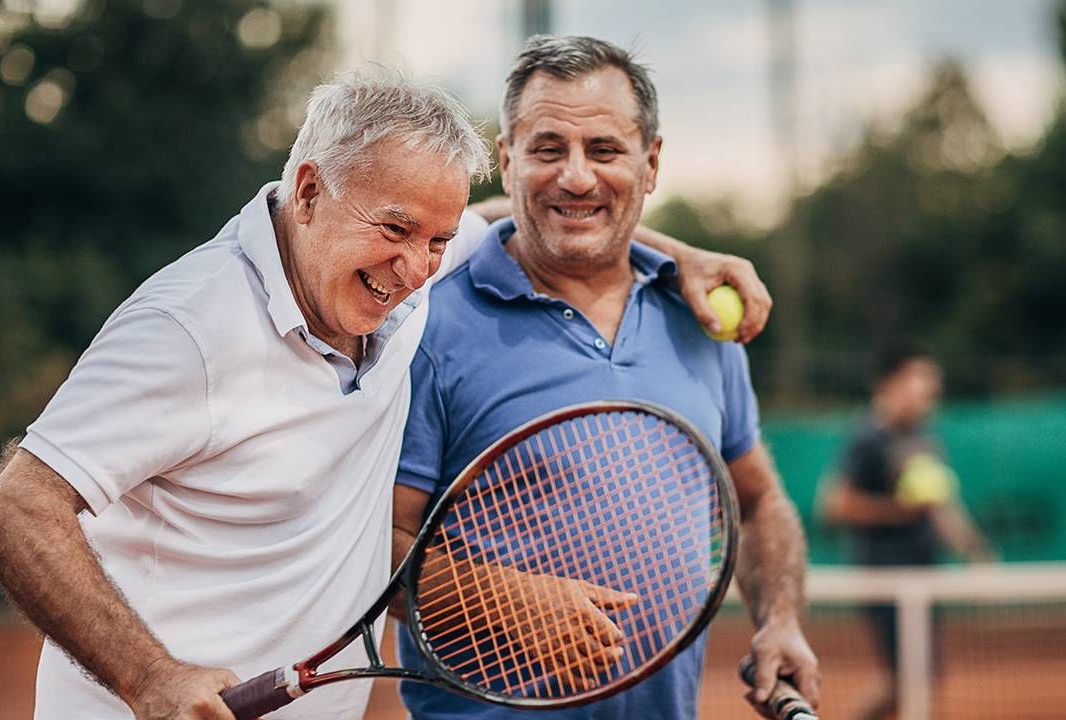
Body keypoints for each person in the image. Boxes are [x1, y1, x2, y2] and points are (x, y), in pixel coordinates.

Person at [0, 66, 772, 720]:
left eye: (436, 240)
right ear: (310, 190)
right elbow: (14, 508)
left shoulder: (400, 278)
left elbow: (527, 219)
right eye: (394, 230)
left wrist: (687, 254)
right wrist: (148, 676)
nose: (418, 266)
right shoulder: (188, 327)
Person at [391, 35, 820, 720]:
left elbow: (758, 500)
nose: (577, 177)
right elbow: (372, 541)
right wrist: (499, 600)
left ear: (651, 163)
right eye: (548, 148)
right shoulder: (427, 325)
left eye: (606, 150)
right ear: (507, 161)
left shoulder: (703, 319)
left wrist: (781, 618)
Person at [821, 342, 992, 720]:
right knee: (913, 678)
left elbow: (940, 504)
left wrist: (971, 548)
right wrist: (900, 512)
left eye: (932, 391)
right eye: (920, 388)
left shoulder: (924, 436)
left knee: (913, 679)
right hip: (885, 575)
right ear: (890, 384)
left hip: (923, 572)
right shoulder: (867, 435)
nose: (928, 398)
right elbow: (836, 504)